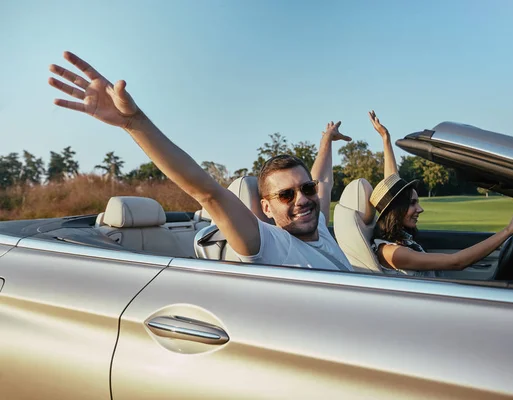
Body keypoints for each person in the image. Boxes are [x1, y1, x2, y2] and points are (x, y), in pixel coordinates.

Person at [48, 51, 354, 271]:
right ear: (265, 208)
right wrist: (134, 123)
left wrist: (326, 140)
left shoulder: (320, 227)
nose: (302, 200)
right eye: (286, 194)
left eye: (306, 189)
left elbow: (323, 178)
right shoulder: (268, 244)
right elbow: (206, 191)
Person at [367, 110, 513, 277]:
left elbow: (392, 181)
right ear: (395, 210)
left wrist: (385, 139)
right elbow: (456, 262)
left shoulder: (399, 237)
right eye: (412, 203)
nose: (420, 209)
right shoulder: (391, 252)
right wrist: (507, 231)